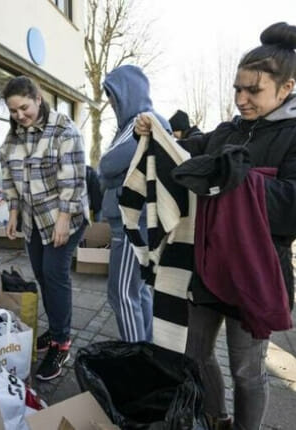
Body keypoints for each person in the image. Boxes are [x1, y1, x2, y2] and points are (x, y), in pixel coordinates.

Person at [136, 22, 296, 430]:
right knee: (194, 354)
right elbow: (181, 156)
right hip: (205, 266)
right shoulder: (227, 131)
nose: (241, 99)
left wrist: (239, 177)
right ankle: (215, 418)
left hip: (255, 271)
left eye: (253, 91)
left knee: (247, 370)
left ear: (286, 87)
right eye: (237, 90)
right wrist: (152, 133)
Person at [0, 76, 89, 381]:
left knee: (54, 272)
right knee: (40, 275)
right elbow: (9, 179)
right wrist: (13, 212)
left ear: (38, 98)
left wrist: (64, 218)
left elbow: (73, 179)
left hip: (64, 214)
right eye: (13, 111)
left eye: (24, 108)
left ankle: (61, 342)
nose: (19, 116)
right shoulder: (11, 139)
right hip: (32, 219)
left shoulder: (64, 130)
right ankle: (55, 329)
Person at [98, 64, 170, 342]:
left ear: (127, 92)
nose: (111, 102)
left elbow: (106, 165)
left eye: (113, 95)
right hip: (137, 221)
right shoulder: (134, 125)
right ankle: (148, 352)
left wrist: (109, 174)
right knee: (138, 292)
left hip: (132, 223)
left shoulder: (142, 121)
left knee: (122, 295)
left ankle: (135, 362)